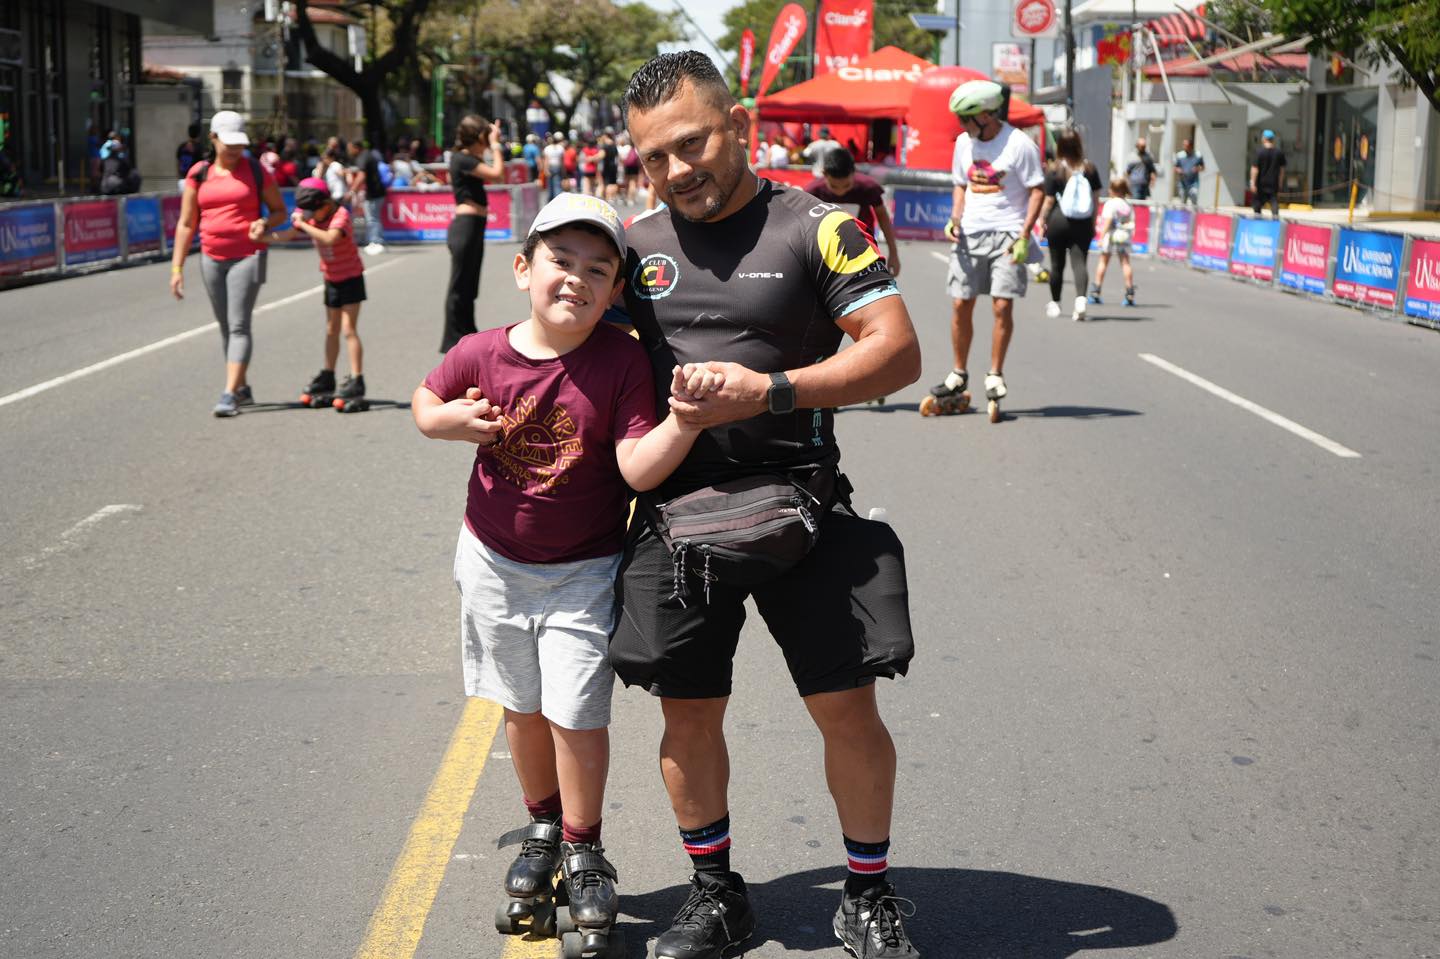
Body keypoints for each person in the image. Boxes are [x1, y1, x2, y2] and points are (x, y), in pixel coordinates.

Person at [614, 51, 923, 959]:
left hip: (804, 512)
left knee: (847, 709)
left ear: (739, 122)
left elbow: (896, 353)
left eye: (693, 143)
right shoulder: (633, 247)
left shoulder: (818, 228)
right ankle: (717, 894)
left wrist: (771, 392)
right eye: (653, 159)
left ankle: (866, 893)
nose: (677, 171)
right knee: (688, 715)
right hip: (677, 523)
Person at [413, 193, 716, 944]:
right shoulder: (482, 351)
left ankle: (584, 844)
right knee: (519, 705)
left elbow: (637, 469)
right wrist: (446, 421)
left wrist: (684, 421)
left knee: (577, 711)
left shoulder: (619, 362)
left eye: (597, 269)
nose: (575, 279)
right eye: (560, 260)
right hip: (491, 565)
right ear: (522, 268)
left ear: (617, 291)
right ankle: (542, 826)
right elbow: (427, 398)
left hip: (584, 570)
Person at [926, 79, 1044, 419]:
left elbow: (1037, 190)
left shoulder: (1019, 144)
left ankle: (994, 374)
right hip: (969, 234)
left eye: (966, 118)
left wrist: (1024, 234)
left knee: (1001, 306)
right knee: (961, 302)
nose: (961, 126)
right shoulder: (964, 143)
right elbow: (961, 185)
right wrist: (954, 218)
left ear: (986, 115)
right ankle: (959, 373)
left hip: (1007, 234)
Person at [168, 110, 288, 417]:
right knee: (224, 326)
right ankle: (242, 387)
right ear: (213, 139)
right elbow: (186, 223)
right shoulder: (199, 173)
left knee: (238, 325)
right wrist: (177, 268)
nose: (235, 150)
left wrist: (263, 222)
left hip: (248, 254)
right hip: (210, 256)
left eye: (239, 144)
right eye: (228, 144)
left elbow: (279, 212)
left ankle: (229, 393)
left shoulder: (256, 171)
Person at [269, 177, 369, 409]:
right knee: (331, 329)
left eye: (315, 211)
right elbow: (287, 235)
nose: (312, 215)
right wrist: (260, 238)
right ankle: (328, 374)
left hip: (351, 277)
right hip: (331, 278)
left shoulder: (340, 216)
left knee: (348, 329)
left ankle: (356, 379)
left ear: (326, 203)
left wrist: (304, 225)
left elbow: (330, 238)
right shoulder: (311, 214)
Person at [441, 114, 507, 353]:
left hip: (473, 225)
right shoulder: (461, 159)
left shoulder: (467, 158)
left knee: (469, 285)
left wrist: (490, 136)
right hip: (465, 225)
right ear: (479, 136)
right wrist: (496, 143)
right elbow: (498, 172)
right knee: (460, 286)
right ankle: (453, 340)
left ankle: (467, 335)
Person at [804, 147, 901, 279]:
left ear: (853, 173)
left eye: (846, 186)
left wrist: (893, 253)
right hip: (827, 249)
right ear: (824, 174)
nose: (840, 192)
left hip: (863, 247)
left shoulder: (868, 188)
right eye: (834, 187)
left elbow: (883, 217)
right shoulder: (812, 192)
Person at [1038, 128, 1101, 322]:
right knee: (1079, 261)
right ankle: (1081, 300)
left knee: (1057, 265)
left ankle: (1056, 303)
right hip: (1082, 222)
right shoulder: (1089, 168)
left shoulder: (1055, 169)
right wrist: (1092, 221)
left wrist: (1042, 221)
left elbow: (1048, 200)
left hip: (1058, 220)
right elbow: (1096, 198)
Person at [1090, 177, 1137, 307]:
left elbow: (1108, 221)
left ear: (1114, 190)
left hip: (1111, 236)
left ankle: (1096, 291)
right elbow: (1131, 221)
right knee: (1126, 263)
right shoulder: (1127, 205)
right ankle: (1130, 293)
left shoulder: (1110, 204)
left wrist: (1101, 237)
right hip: (1124, 236)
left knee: (1103, 262)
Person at [348, 139, 389, 254]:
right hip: (376, 192)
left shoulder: (363, 157)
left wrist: (352, 191)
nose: (349, 151)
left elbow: (361, 175)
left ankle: (375, 242)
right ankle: (377, 241)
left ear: (356, 148)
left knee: (372, 218)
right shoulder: (368, 155)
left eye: (350, 148)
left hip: (374, 193)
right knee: (374, 218)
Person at [1250, 129, 1286, 218]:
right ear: (1273, 139)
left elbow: (1255, 169)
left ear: (1264, 139)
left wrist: (1252, 183)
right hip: (1273, 183)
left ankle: (1257, 220)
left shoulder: (1259, 152)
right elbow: (1282, 170)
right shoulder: (1279, 153)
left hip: (1260, 183)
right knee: (1274, 202)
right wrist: (1280, 183)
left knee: (1258, 203)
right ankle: (1275, 221)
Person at [1173, 138, 1204, 206]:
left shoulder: (1198, 155)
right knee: (1183, 202)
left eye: (1185, 145)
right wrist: (1179, 170)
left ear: (1191, 146)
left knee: (1194, 197)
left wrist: (1197, 168)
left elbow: (1202, 167)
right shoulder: (1180, 155)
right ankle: (1184, 216)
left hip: (1194, 183)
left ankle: (1194, 215)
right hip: (1183, 183)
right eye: (1183, 145)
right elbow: (1175, 167)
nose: (1184, 147)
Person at [1125, 136, 1157, 201]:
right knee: (1136, 202)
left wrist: (1153, 180)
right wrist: (1127, 185)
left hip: (1145, 184)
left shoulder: (1148, 156)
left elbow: (1152, 170)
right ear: (1137, 146)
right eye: (1141, 146)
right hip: (1135, 184)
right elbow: (1127, 172)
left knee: (1143, 203)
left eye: (1144, 146)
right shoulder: (1132, 156)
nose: (1143, 148)